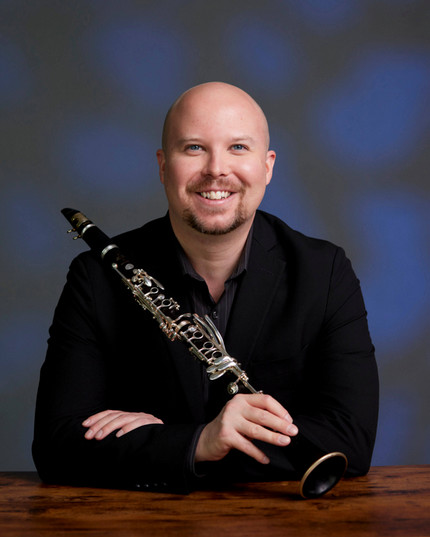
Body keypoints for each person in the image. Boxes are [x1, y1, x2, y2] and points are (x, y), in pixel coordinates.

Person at [33, 82, 379, 493]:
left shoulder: (324, 272)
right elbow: (58, 449)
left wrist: (169, 446)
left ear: (267, 166)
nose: (216, 169)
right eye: (194, 148)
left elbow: (351, 443)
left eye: (238, 148)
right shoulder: (96, 277)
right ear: (163, 165)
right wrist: (200, 441)